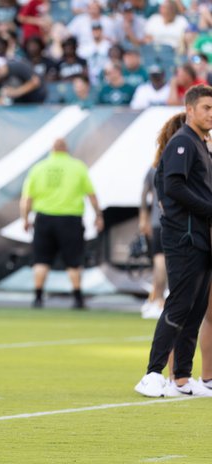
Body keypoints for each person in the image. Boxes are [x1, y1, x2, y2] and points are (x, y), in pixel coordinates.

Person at [134, 85, 212, 398]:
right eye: (206, 107)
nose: (211, 113)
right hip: (185, 236)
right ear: (189, 109)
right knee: (179, 304)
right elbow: (174, 187)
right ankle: (152, 373)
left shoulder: (202, 145)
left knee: (195, 308)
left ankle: (182, 377)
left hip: (201, 236)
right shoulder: (183, 143)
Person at [20, 138, 104, 309]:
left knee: (41, 260)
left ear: (52, 150)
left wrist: (25, 218)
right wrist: (98, 215)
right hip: (70, 219)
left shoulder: (39, 168)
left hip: (44, 218)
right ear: (66, 149)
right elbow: (92, 195)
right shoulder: (77, 167)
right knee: (73, 260)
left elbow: (26, 199)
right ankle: (78, 298)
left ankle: (37, 297)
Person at [139, 113, 185, 320]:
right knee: (162, 262)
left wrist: (143, 219)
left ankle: (154, 299)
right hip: (171, 219)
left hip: (158, 220)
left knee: (160, 260)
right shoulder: (177, 161)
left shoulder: (155, 166)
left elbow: (144, 195)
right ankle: (158, 300)